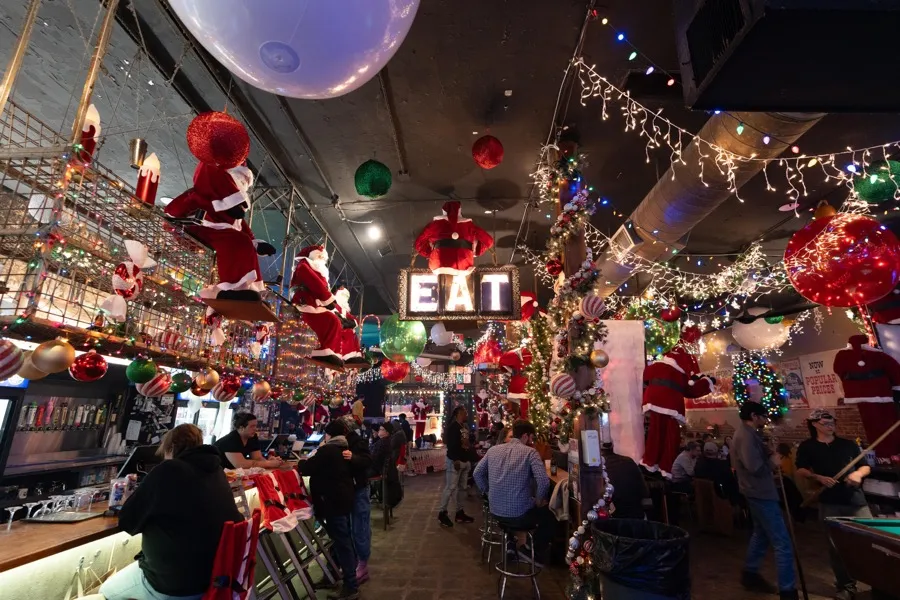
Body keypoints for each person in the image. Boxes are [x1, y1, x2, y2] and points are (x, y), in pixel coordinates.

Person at [98, 424, 242, 600]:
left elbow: (128, 521)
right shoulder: (216, 470)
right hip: (215, 578)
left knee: (106, 591)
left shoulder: (169, 469)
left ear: (171, 448)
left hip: (174, 584)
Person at [796, 409, 872, 600]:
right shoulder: (807, 447)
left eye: (832, 423)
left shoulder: (847, 445)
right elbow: (801, 470)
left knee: (872, 541)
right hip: (829, 503)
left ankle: (880, 583)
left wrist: (858, 474)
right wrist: (818, 477)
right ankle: (846, 586)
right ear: (814, 424)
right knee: (836, 547)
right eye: (826, 423)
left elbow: (864, 465)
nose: (831, 427)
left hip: (856, 500)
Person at [732, 402, 798, 600]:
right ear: (754, 416)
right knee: (782, 543)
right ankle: (788, 590)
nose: (765, 420)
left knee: (761, 535)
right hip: (759, 492)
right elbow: (755, 467)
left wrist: (768, 451)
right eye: (763, 416)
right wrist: (773, 462)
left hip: (758, 491)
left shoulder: (751, 434)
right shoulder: (745, 436)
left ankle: (750, 574)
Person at [473, 420, 554, 566]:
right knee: (550, 515)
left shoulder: (493, 450)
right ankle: (529, 550)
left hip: (495, 511)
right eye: (531, 437)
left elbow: (477, 473)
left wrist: (488, 492)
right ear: (525, 436)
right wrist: (538, 500)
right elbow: (543, 481)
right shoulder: (530, 452)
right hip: (518, 515)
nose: (532, 441)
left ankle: (511, 544)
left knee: (514, 503)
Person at [297, 420, 359, 600]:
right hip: (343, 499)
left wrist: (301, 462)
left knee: (342, 542)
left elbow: (307, 468)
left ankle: (351, 585)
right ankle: (337, 576)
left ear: (328, 435)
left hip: (332, 501)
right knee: (342, 540)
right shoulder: (343, 448)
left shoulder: (328, 450)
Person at [339, 417, 373, 585]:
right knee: (350, 528)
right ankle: (355, 563)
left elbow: (367, 461)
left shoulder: (357, 443)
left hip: (358, 489)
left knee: (360, 527)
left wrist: (353, 458)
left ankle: (363, 565)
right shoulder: (340, 443)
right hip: (347, 491)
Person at [438, 406, 476, 527]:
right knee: (450, 487)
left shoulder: (463, 427)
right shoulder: (453, 428)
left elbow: (466, 443)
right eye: (464, 413)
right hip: (456, 462)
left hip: (464, 461)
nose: (467, 415)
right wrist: (455, 459)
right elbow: (452, 445)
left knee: (462, 488)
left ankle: (459, 512)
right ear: (458, 414)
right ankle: (442, 512)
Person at [214, 412, 283, 469]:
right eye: (252, 426)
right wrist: (269, 463)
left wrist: (271, 461)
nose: (255, 429)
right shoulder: (230, 440)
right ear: (241, 428)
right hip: (215, 473)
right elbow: (241, 464)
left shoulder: (252, 437)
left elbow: (258, 458)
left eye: (256, 426)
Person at [601, 442, 650, 520]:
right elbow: (645, 492)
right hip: (638, 519)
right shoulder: (629, 461)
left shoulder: (597, 468)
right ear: (613, 447)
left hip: (615, 523)